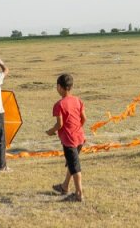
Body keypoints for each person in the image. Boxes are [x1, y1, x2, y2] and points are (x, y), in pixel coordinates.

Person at [46, 73, 86, 202]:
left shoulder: (59, 105)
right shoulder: (78, 100)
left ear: (60, 87)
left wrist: (51, 131)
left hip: (69, 139)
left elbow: (60, 124)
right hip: (80, 137)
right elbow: (83, 118)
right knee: (72, 163)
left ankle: (79, 194)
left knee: (75, 166)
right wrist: (77, 128)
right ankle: (64, 186)